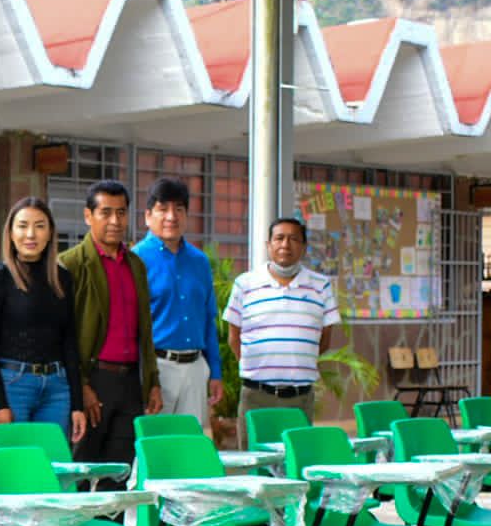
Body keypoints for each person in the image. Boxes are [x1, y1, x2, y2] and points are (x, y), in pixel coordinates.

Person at [59, 180, 161, 472]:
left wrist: (152, 381)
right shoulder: (70, 265)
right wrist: (82, 387)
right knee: (84, 468)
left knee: (119, 471)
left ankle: (111, 522)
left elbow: (145, 329)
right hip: (94, 380)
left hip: (130, 382)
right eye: (106, 213)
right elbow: (63, 335)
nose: (115, 221)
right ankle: (84, 521)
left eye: (121, 212)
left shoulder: (136, 265)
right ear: (88, 216)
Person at [0, 197, 87, 445]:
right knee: (13, 473)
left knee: (51, 472)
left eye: (39, 226)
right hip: (12, 385)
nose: (31, 234)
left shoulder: (62, 278)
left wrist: (77, 404)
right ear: (11, 233)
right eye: (23, 225)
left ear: (49, 233)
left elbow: (69, 341)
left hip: (57, 389)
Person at [222, 216, 338, 424]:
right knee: (253, 456)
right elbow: (233, 337)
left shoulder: (321, 286)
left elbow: (324, 340)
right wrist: (258, 368)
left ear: (303, 247)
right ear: (269, 245)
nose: (285, 244)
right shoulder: (245, 284)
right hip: (256, 397)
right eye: (279, 238)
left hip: (300, 398)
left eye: (294, 239)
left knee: (298, 456)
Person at [132, 177, 222, 429]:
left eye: (179, 209)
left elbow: (207, 320)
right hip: (157, 369)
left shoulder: (200, 261)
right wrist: (145, 377)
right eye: (163, 209)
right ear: (148, 216)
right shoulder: (135, 260)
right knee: (154, 447)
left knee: (190, 447)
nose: (171, 216)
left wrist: (214, 371)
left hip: (195, 368)